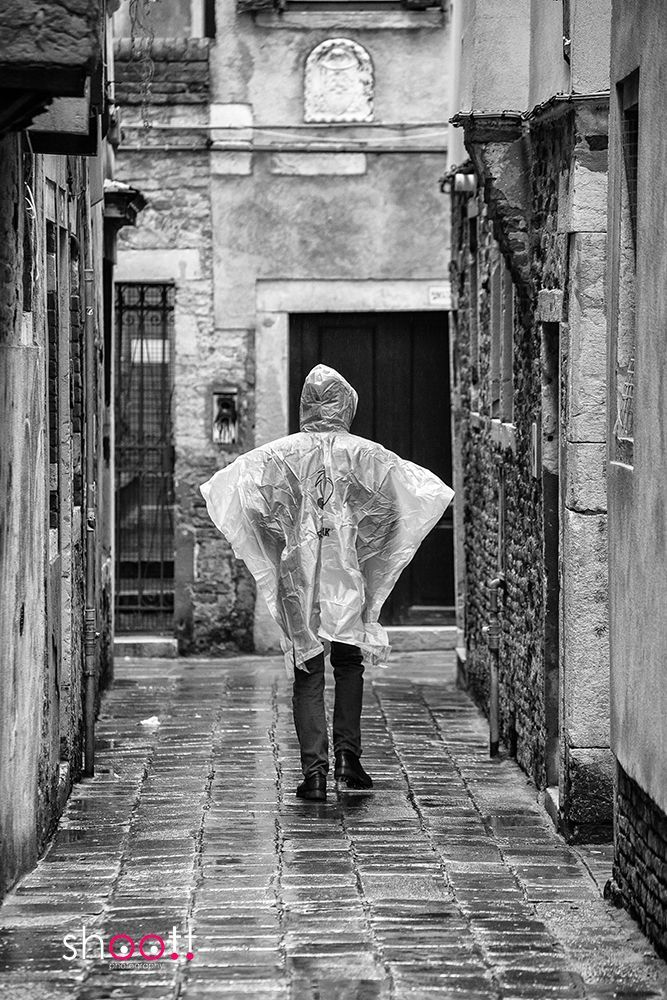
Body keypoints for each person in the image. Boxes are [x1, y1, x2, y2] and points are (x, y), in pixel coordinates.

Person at [200, 364, 454, 801]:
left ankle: (314, 773)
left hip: (297, 577)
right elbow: (403, 505)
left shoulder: (278, 457)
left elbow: (246, 502)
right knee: (349, 662)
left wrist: (284, 544)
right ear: (347, 405)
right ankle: (349, 761)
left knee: (307, 668)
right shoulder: (369, 457)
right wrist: (364, 551)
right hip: (350, 576)